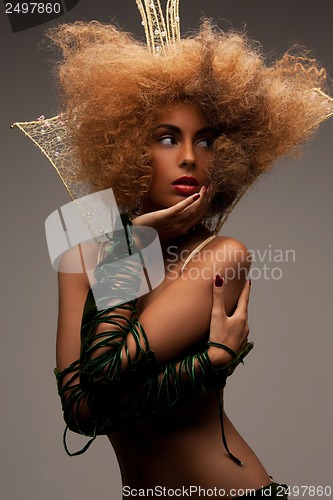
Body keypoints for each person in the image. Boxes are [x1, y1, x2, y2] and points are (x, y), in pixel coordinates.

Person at [12, 3, 332, 498]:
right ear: (127, 147)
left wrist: (125, 251)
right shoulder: (81, 257)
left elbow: (103, 373)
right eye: (167, 138)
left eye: (205, 142)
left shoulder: (222, 256)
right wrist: (210, 361)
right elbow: (80, 413)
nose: (188, 157)